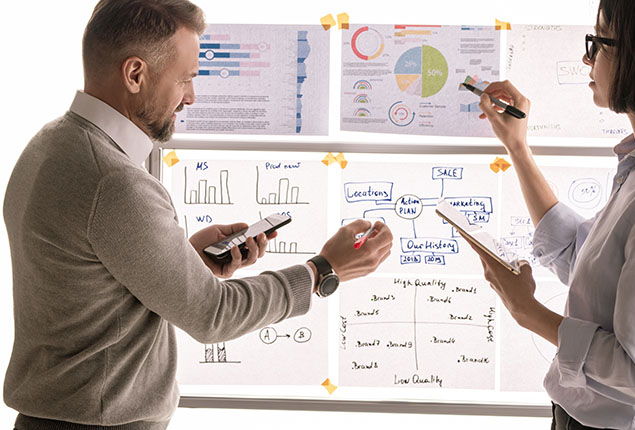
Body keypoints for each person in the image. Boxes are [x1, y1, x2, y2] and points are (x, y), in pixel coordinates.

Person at [2, 0, 393, 428]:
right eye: (186, 79)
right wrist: (322, 269)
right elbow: (214, 315)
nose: (191, 96)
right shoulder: (114, 182)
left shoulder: (50, 144)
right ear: (135, 74)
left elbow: (84, 283)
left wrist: (182, 261)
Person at [464, 0, 635, 429]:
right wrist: (517, 147)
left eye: (597, 44)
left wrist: (528, 312)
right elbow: (580, 255)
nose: (586, 58)